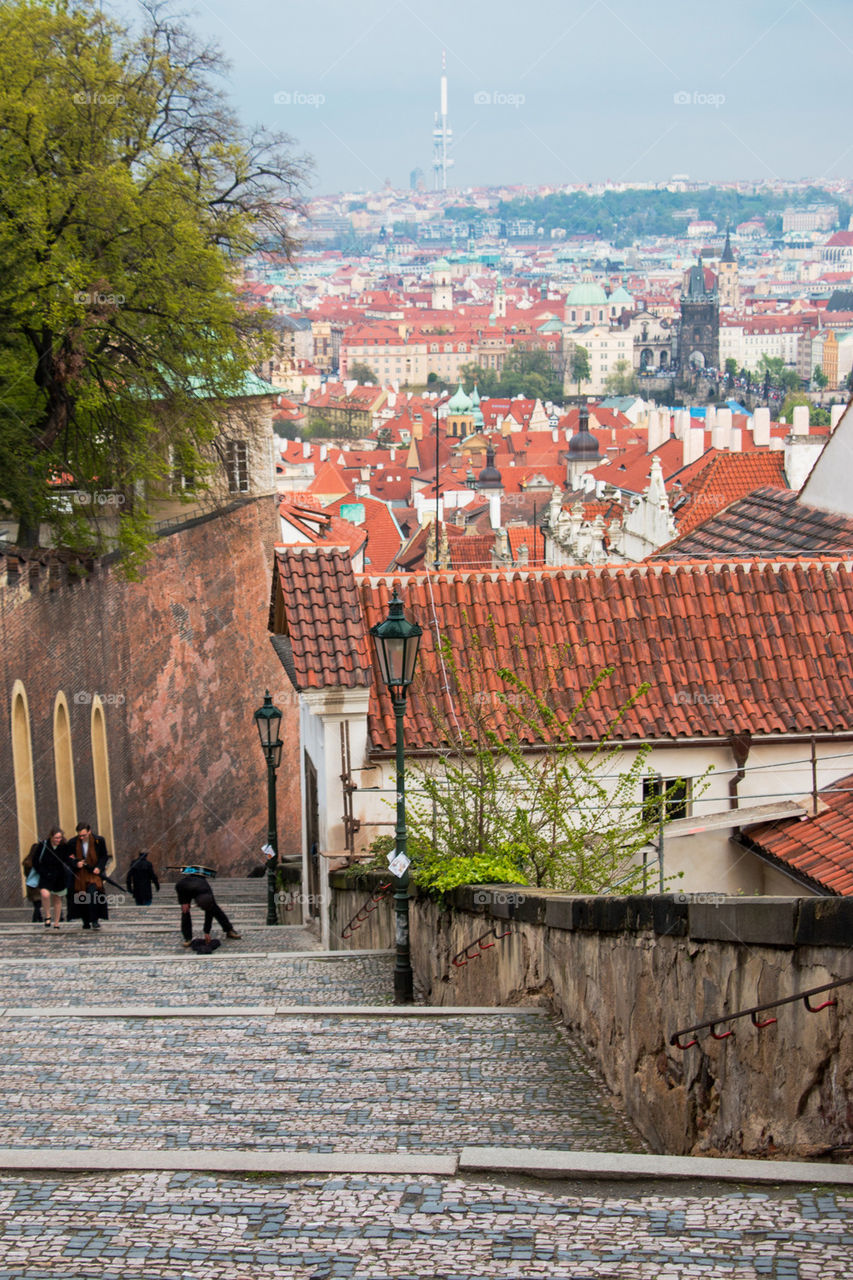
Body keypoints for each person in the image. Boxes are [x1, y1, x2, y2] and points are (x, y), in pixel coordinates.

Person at [174, 866, 240, 948]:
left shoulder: (207, 891)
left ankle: (229, 930)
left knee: (215, 910)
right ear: (197, 904)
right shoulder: (181, 885)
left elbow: (209, 914)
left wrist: (206, 932)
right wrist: (183, 902)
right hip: (185, 891)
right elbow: (178, 887)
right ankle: (188, 938)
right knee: (185, 911)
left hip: (201, 886)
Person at [67, 821, 109, 931]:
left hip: (93, 874)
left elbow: (104, 856)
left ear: (89, 832)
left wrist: (99, 867)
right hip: (80, 875)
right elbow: (68, 858)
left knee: (93, 894)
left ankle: (94, 920)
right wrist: (76, 863)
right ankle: (85, 921)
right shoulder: (72, 843)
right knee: (82, 898)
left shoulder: (99, 840)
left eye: (84, 835)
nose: (82, 837)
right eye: (80, 835)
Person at [32, 828, 75, 930]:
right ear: (51, 837)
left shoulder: (64, 846)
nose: (58, 840)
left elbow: (68, 859)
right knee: (45, 894)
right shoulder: (43, 845)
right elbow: (35, 860)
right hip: (45, 875)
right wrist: (41, 871)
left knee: (57, 899)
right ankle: (47, 915)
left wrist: (73, 862)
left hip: (59, 876)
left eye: (60, 837)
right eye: (56, 838)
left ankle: (56, 922)